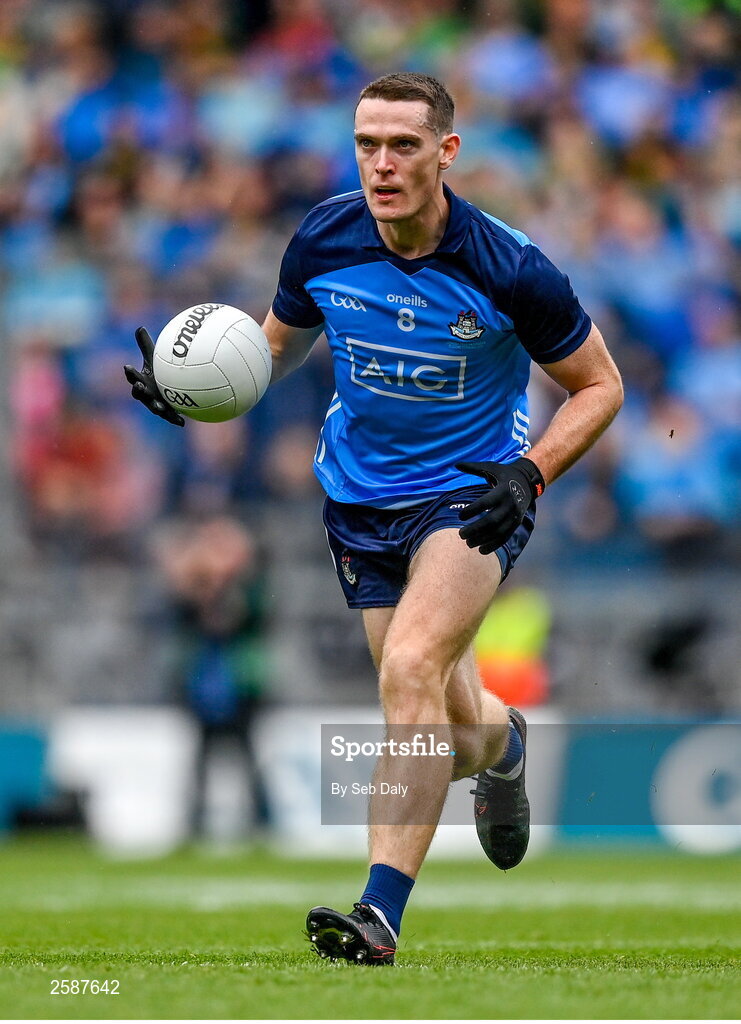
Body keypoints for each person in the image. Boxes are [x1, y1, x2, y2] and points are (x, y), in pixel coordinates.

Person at [125, 72, 623, 966]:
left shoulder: (509, 266)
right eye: (366, 144)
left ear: (446, 151)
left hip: (470, 496)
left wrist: (531, 472)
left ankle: (378, 913)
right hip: (357, 502)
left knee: (407, 669)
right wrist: (191, 394)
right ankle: (503, 747)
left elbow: (601, 385)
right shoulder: (322, 236)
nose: (381, 164)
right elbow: (270, 355)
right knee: (447, 723)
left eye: (401, 144)